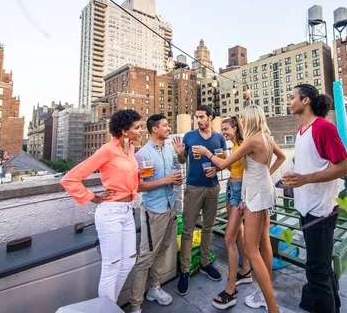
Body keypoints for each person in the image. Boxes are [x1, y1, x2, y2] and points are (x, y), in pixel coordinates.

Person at [194, 105, 286, 313]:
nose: (241, 121)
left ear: (250, 119)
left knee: (252, 251)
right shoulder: (266, 136)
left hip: (254, 194)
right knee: (264, 242)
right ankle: (265, 294)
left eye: (243, 118)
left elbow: (224, 162)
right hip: (262, 191)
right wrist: (265, 175)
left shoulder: (252, 140)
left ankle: (273, 308)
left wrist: (207, 152)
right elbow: (281, 157)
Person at [60, 109, 143, 302]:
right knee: (111, 266)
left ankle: (108, 305)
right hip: (110, 214)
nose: (141, 131)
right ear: (124, 131)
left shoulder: (130, 149)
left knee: (129, 261)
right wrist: (94, 198)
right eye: (137, 127)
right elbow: (70, 179)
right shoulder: (107, 150)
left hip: (127, 212)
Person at [284, 84, 347, 313]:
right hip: (305, 208)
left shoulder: (323, 128)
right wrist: (295, 178)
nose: (288, 101)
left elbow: (343, 167)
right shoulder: (301, 131)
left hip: (321, 211)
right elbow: (308, 164)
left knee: (316, 272)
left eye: (291, 97)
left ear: (306, 101)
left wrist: (306, 178)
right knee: (322, 268)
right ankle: (336, 305)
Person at [129, 114, 184, 313]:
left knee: (162, 250)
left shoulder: (168, 150)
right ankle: (135, 306)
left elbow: (173, 174)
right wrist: (166, 180)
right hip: (153, 210)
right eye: (165, 125)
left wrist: (175, 178)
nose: (169, 128)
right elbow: (139, 186)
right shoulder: (143, 154)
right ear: (154, 129)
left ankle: (154, 288)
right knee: (145, 257)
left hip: (170, 207)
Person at [174, 105, 228, 296]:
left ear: (210, 117)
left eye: (202, 117)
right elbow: (182, 162)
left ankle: (205, 262)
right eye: (197, 117)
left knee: (208, 227)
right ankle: (185, 271)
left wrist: (217, 169)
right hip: (193, 188)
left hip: (213, 188)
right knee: (188, 230)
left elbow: (224, 160)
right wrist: (180, 153)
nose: (199, 120)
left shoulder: (219, 138)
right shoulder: (189, 136)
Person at [210, 116, 252, 309]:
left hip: (239, 192)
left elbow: (251, 173)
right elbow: (228, 165)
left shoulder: (244, 145)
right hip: (230, 187)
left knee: (228, 239)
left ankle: (231, 287)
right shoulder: (234, 147)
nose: (223, 132)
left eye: (226, 129)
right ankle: (246, 270)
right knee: (238, 232)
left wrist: (244, 198)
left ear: (235, 128)